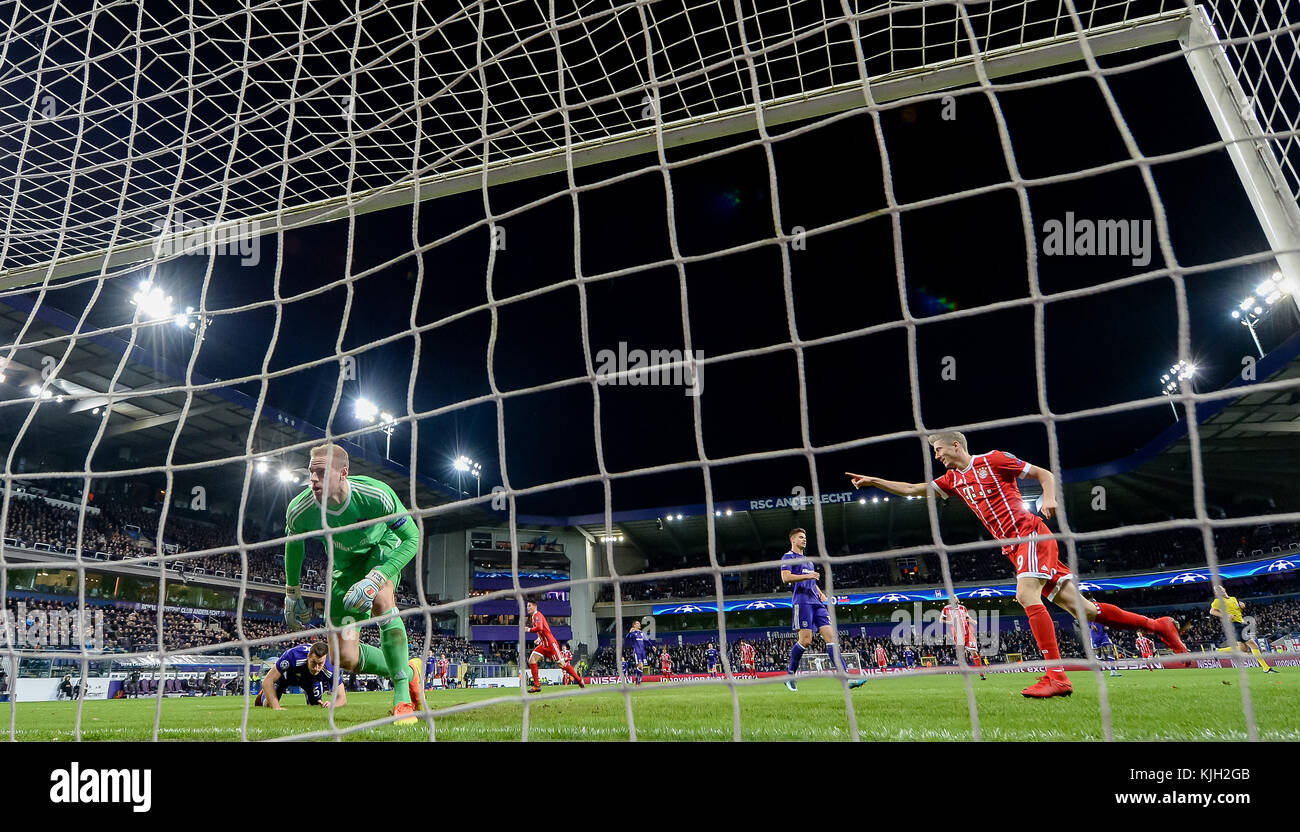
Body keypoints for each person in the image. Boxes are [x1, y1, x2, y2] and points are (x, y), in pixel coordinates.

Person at [847, 431, 1190, 699]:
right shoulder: (952, 481)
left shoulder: (995, 460)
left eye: (937, 450)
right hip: (1014, 547)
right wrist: (874, 481)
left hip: (1030, 533)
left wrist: (1051, 499)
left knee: (1027, 597)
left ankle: (1056, 675)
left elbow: (1043, 473)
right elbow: (911, 489)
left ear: (955, 445)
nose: (936, 456)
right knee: (1084, 611)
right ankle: (1158, 626)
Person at [281, 443, 423, 724]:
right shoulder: (300, 510)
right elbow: (293, 544)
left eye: (321, 473)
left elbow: (412, 538)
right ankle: (408, 669)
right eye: (311, 472)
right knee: (345, 657)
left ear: (343, 473)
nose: (313, 479)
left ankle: (402, 698)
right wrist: (292, 591)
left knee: (381, 600)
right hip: (343, 568)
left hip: (380, 551)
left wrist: (378, 576)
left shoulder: (375, 495)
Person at [780, 528, 866, 691]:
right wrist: (808, 576)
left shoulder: (808, 561)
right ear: (793, 540)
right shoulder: (788, 557)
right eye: (801, 537)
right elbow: (786, 577)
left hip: (816, 603)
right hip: (802, 602)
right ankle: (790, 675)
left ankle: (846, 677)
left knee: (831, 637)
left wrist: (820, 593)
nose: (804, 539)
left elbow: (812, 582)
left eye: (805, 537)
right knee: (806, 640)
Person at [254, 641, 348, 709]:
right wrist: (277, 708)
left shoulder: (331, 667)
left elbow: (342, 698)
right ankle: (264, 694)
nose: (316, 668)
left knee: (316, 706)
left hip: (311, 681)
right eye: (313, 663)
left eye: (320, 664)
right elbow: (267, 681)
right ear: (308, 657)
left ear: (325, 660)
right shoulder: (292, 655)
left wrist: (333, 704)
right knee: (268, 705)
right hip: (287, 677)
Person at [1210, 585, 1277, 673]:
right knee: (1253, 645)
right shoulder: (1217, 601)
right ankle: (1266, 668)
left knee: (1243, 649)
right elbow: (1212, 611)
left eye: (1219, 588)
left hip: (1240, 623)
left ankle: (1218, 651)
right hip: (1234, 625)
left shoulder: (1233, 599)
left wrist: (1242, 607)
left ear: (1224, 589)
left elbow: (1237, 611)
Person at [525, 598, 584, 693]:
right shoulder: (534, 617)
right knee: (532, 659)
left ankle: (579, 679)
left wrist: (528, 630)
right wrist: (539, 638)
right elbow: (543, 629)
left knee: (562, 664)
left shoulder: (537, 615)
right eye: (527, 606)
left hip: (551, 644)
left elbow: (539, 627)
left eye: (529, 606)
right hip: (543, 644)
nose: (527, 608)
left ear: (535, 606)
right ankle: (537, 686)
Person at [942, 600, 986, 680]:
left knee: (974, 653)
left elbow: (967, 618)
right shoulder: (946, 609)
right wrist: (950, 622)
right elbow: (941, 620)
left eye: (955, 597)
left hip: (968, 634)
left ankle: (981, 673)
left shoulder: (963, 608)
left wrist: (973, 621)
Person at [1086, 612, 1122, 677]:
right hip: (1094, 637)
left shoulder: (1102, 614)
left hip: (1104, 636)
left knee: (1110, 652)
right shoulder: (1089, 615)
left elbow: (1107, 623)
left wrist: (1107, 626)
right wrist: (1091, 625)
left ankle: (1113, 671)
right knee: (1098, 655)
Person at [624, 619, 651, 685]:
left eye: (639, 623)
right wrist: (630, 632)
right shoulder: (633, 633)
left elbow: (647, 640)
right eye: (638, 623)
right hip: (637, 652)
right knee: (640, 666)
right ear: (634, 625)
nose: (639, 624)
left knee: (641, 667)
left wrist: (652, 646)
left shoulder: (641, 633)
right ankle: (638, 682)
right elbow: (626, 639)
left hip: (642, 652)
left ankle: (638, 682)